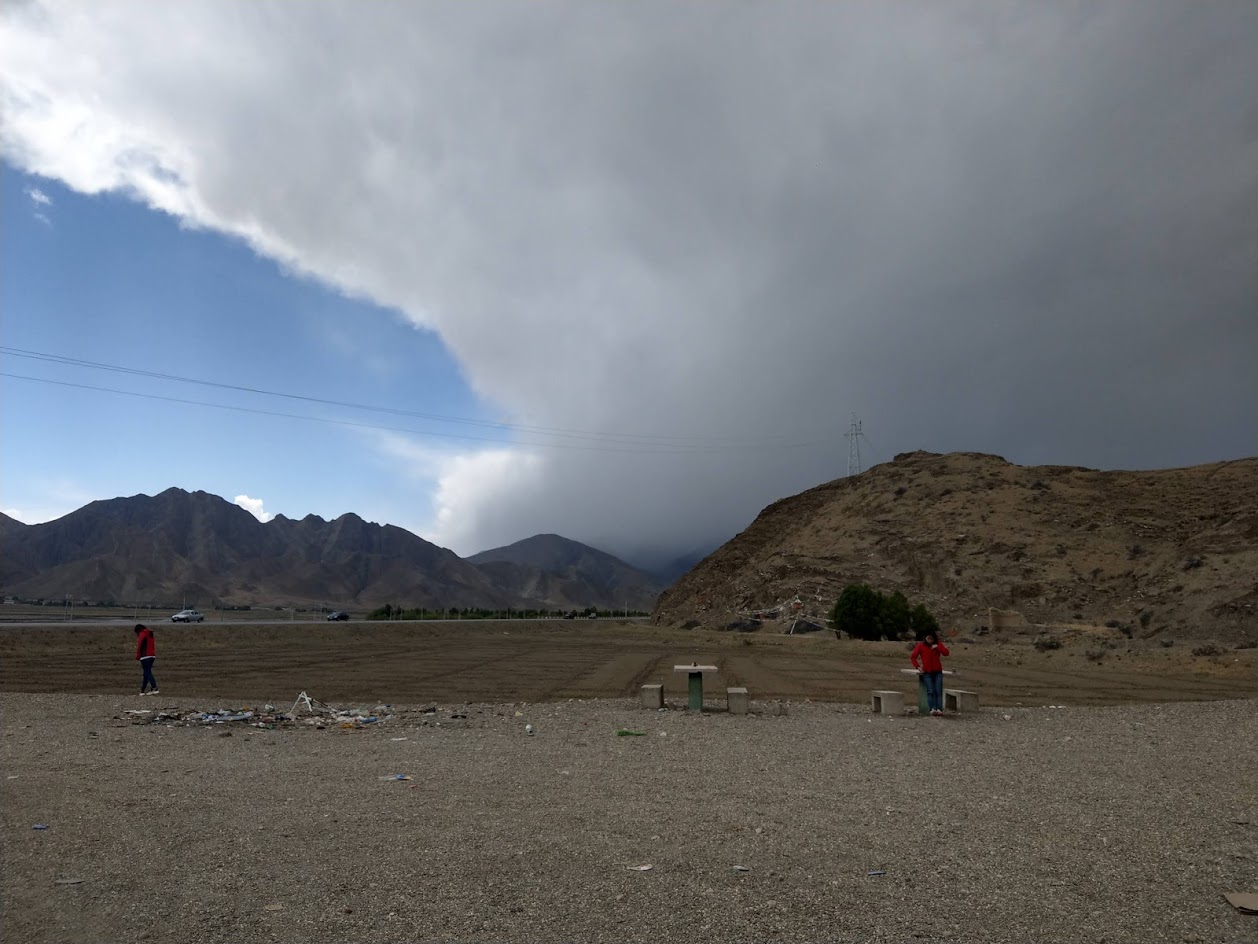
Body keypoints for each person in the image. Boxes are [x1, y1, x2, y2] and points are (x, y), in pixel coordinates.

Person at [910, 630, 949, 716]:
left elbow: (946, 653)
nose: (930, 641)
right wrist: (918, 667)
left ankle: (939, 709)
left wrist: (937, 647)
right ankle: (932, 709)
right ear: (925, 638)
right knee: (930, 691)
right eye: (928, 639)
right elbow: (913, 657)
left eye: (931, 639)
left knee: (938, 691)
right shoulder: (921, 645)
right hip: (927, 672)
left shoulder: (938, 644)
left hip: (938, 671)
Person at [134, 624, 158, 695]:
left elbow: (140, 645)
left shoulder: (142, 634)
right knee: (146, 673)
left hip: (145, 656)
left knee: (147, 672)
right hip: (152, 656)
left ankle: (154, 687)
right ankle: (142, 690)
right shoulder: (150, 633)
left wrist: (138, 655)